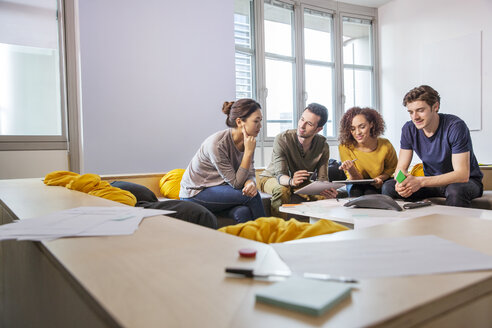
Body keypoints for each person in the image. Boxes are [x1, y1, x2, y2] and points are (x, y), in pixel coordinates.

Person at [382, 85, 483, 207]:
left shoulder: (455, 126)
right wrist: (400, 182)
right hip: (431, 182)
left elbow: (462, 175)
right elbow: (400, 168)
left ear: (435, 107)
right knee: (389, 187)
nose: (415, 117)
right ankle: (407, 224)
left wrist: (420, 181)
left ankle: (454, 226)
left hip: (465, 182)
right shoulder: (408, 129)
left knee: (455, 190)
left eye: (420, 110)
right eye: (411, 112)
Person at [179, 99, 266, 223]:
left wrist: (251, 183)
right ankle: (270, 236)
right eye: (256, 121)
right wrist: (248, 152)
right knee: (252, 196)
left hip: (219, 189)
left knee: (243, 212)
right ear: (240, 122)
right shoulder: (217, 144)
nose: (260, 126)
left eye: (260, 121)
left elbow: (250, 173)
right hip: (195, 193)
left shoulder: (248, 141)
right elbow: (236, 183)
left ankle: (248, 241)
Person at [258, 103, 338, 217]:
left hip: (299, 182)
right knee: (282, 190)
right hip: (272, 178)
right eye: (302, 119)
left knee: (324, 196)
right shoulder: (282, 139)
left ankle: (317, 230)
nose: (302, 125)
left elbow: (322, 179)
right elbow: (281, 175)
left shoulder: (323, 145)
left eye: (309, 123)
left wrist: (327, 190)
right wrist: (292, 182)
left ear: (318, 129)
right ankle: (278, 230)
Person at [338, 107, 397, 197]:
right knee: (356, 192)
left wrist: (380, 178)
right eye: (352, 129)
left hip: (379, 181)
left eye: (362, 127)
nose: (357, 132)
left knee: (371, 193)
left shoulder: (385, 144)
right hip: (356, 182)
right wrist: (351, 169)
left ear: (371, 124)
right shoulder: (344, 146)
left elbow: (392, 169)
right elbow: (356, 179)